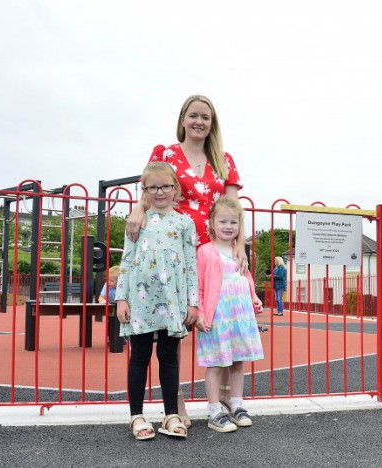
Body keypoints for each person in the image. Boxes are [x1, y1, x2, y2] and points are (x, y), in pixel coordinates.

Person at [125, 94, 248, 425]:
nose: (199, 121)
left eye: (205, 117)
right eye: (193, 115)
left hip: (213, 253)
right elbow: (151, 188)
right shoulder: (164, 153)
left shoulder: (224, 159)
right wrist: (138, 209)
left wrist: (240, 244)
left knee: (218, 320)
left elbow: (233, 207)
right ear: (182, 119)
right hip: (175, 251)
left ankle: (223, 394)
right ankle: (174, 401)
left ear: (212, 123)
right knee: (174, 325)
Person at [116, 162, 198, 440]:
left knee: (168, 358)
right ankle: (136, 416)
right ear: (145, 190)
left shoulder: (185, 223)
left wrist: (192, 302)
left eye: (166, 186)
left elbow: (190, 265)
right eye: (153, 187)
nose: (160, 191)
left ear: (175, 189)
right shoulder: (136, 220)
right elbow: (126, 260)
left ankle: (170, 415)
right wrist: (121, 299)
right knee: (139, 357)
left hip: (172, 301)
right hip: (140, 302)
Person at [196, 197, 264, 433]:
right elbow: (201, 286)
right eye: (222, 221)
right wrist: (201, 313)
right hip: (218, 317)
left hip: (240, 316)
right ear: (212, 223)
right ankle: (214, 410)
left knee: (238, 362)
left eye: (233, 222)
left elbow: (244, 277)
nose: (228, 226)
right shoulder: (205, 251)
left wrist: (253, 296)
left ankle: (236, 404)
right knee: (215, 363)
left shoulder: (239, 251)